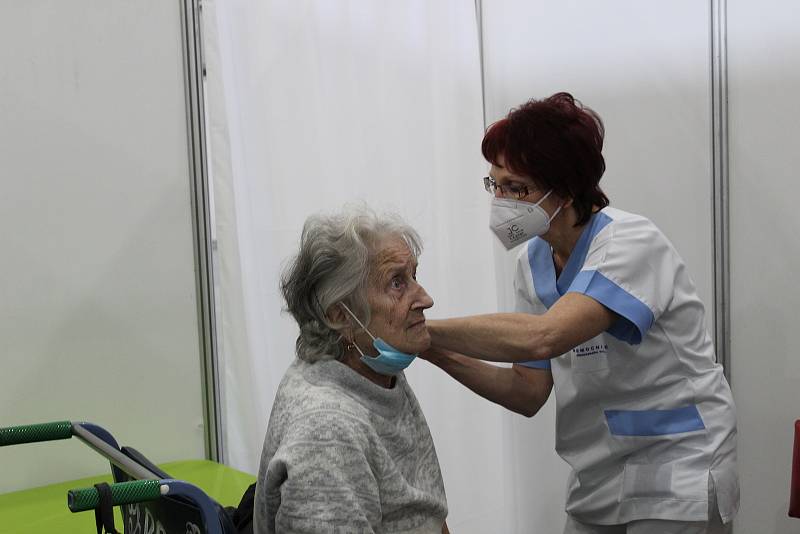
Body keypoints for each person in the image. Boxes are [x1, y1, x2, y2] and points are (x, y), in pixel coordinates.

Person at [421, 93, 738, 534]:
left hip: (676, 455)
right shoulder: (532, 263)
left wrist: (421, 329)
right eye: (496, 185)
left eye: (518, 188)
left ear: (566, 189)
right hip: (598, 470)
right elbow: (526, 391)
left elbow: (545, 337)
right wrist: (428, 350)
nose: (502, 201)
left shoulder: (631, 242)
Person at [253, 205, 450, 534]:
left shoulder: (374, 373)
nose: (425, 298)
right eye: (397, 284)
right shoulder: (327, 431)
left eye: (414, 276)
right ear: (339, 315)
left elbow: (426, 512)